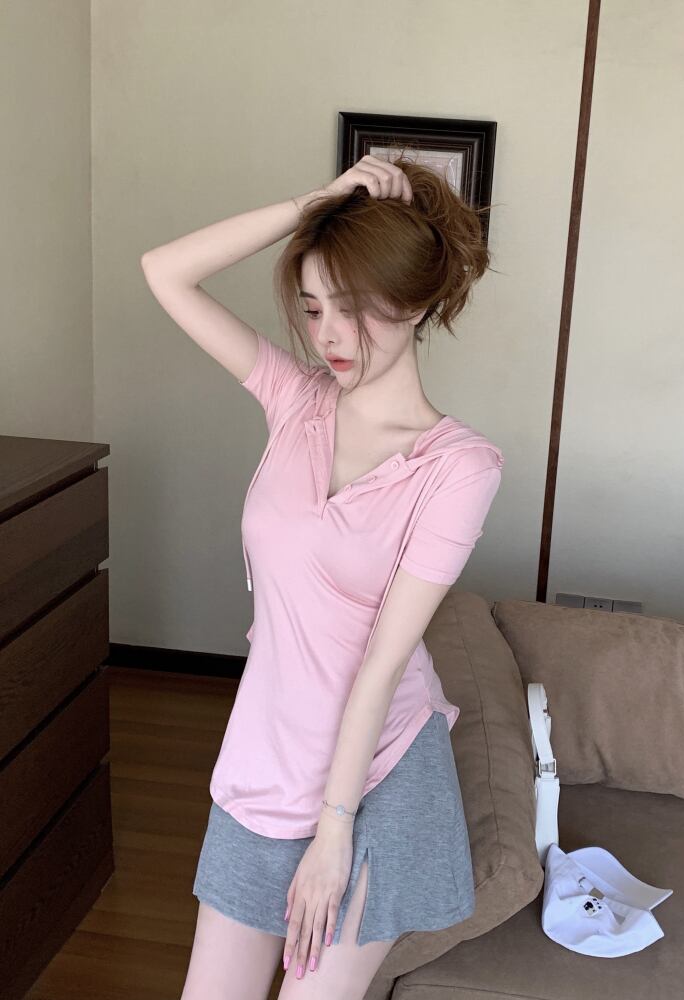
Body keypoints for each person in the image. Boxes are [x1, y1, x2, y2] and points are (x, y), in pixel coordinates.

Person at [141, 152, 504, 1000]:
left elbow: (382, 661)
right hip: (267, 755)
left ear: (416, 303)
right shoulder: (294, 400)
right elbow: (164, 271)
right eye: (313, 309)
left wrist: (334, 833)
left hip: (377, 771)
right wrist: (316, 204)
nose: (330, 335)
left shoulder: (458, 467)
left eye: (356, 306)